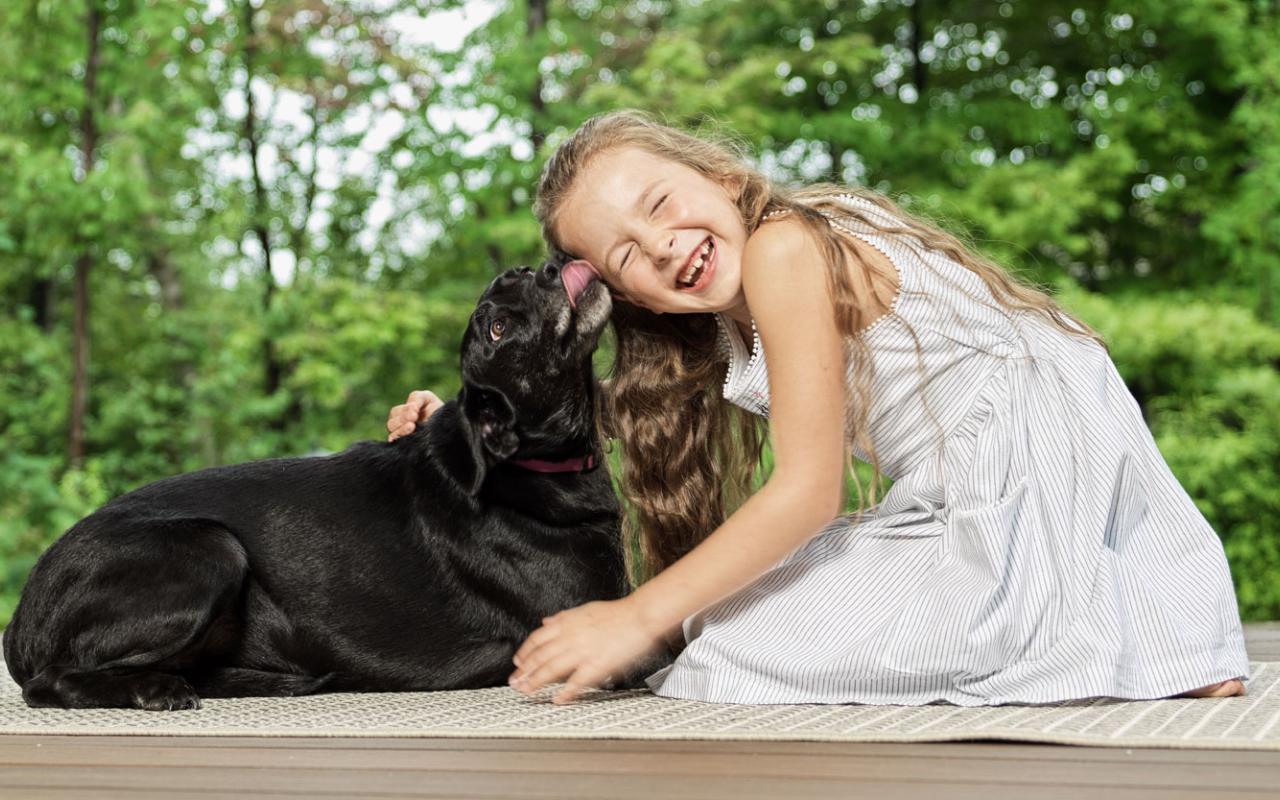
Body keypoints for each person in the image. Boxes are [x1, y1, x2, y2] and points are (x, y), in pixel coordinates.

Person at [387, 110, 1250, 706]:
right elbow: (599, 420)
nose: (664, 246)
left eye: (660, 205)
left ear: (720, 174)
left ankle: (1112, 628)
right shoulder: (737, 316)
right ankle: (1141, 632)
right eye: (628, 256)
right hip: (979, 489)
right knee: (717, 623)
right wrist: (458, 427)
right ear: (632, 300)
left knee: (716, 647)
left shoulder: (784, 246)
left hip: (1038, 478)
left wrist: (633, 616)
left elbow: (810, 493)